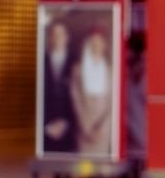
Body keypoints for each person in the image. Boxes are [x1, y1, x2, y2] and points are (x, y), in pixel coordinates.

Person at [70, 27, 114, 156]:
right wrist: (86, 128)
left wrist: (102, 128)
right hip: (84, 128)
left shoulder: (110, 70)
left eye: (99, 42)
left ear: (104, 45)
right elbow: (75, 99)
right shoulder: (77, 70)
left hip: (103, 130)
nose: (96, 46)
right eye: (93, 42)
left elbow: (113, 101)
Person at [42, 20, 76, 153]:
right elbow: (39, 95)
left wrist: (66, 122)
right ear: (50, 37)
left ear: (67, 37)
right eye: (54, 34)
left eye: (61, 34)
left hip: (69, 128)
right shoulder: (42, 62)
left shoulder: (76, 62)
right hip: (46, 129)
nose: (58, 38)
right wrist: (47, 124)